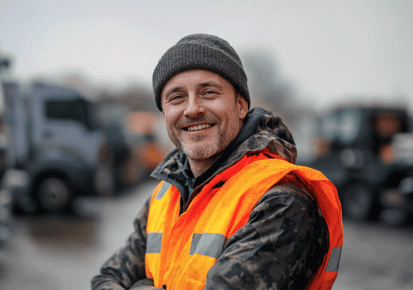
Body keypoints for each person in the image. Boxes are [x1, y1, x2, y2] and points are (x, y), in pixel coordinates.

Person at [91, 33, 343, 290]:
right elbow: (105, 279)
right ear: (164, 113)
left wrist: (139, 286)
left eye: (208, 92)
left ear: (241, 105)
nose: (192, 109)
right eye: (176, 97)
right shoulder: (165, 195)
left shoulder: (280, 200)